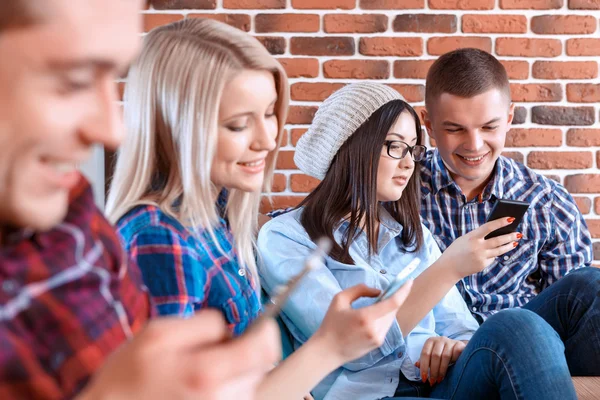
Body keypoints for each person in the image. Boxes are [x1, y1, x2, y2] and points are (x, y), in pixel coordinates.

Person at [106, 18, 414, 400]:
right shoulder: (158, 238)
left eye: (270, 113)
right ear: (177, 128)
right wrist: (328, 349)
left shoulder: (220, 223)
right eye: (238, 125)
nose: (269, 140)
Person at [0, 1, 281, 398]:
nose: (112, 132)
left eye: (270, 114)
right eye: (73, 81)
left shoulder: (79, 221)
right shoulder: (156, 235)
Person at [259, 82, 576, 399]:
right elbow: (351, 350)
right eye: (395, 147)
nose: (409, 162)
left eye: (413, 149)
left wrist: (451, 347)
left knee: (586, 284)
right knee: (518, 326)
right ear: (351, 147)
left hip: (437, 383)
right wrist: (449, 267)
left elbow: (461, 327)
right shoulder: (286, 236)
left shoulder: (412, 233)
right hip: (373, 393)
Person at [420, 48, 600, 375]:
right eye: (455, 129)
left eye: (489, 127)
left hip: (525, 351)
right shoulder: (395, 190)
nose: (474, 145)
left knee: (591, 284)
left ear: (509, 118)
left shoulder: (547, 201)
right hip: (442, 359)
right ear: (429, 124)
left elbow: (577, 317)